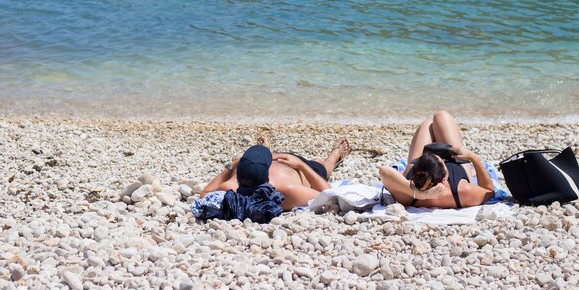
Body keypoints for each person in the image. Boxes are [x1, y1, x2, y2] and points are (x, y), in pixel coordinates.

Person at [379, 110, 494, 208]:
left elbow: (383, 171)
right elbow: (489, 191)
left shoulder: (409, 195)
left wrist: (420, 195)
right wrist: (473, 157)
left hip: (421, 184)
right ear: (444, 181)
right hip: (456, 169)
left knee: (427, 123)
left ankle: (414, 166)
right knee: (441, 115)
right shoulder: (463, 192)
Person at [200, 137, 350, 211]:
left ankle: (263, 151)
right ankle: (334, 155)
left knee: (255, 159)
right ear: (267, 178)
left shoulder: (230, 186)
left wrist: (231, 165)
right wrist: (301, 165)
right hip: (297, 166)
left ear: (238, 176)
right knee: (323, 166)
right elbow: (328, 192)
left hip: (276, 162)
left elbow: (205, 193)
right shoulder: (287, 190)